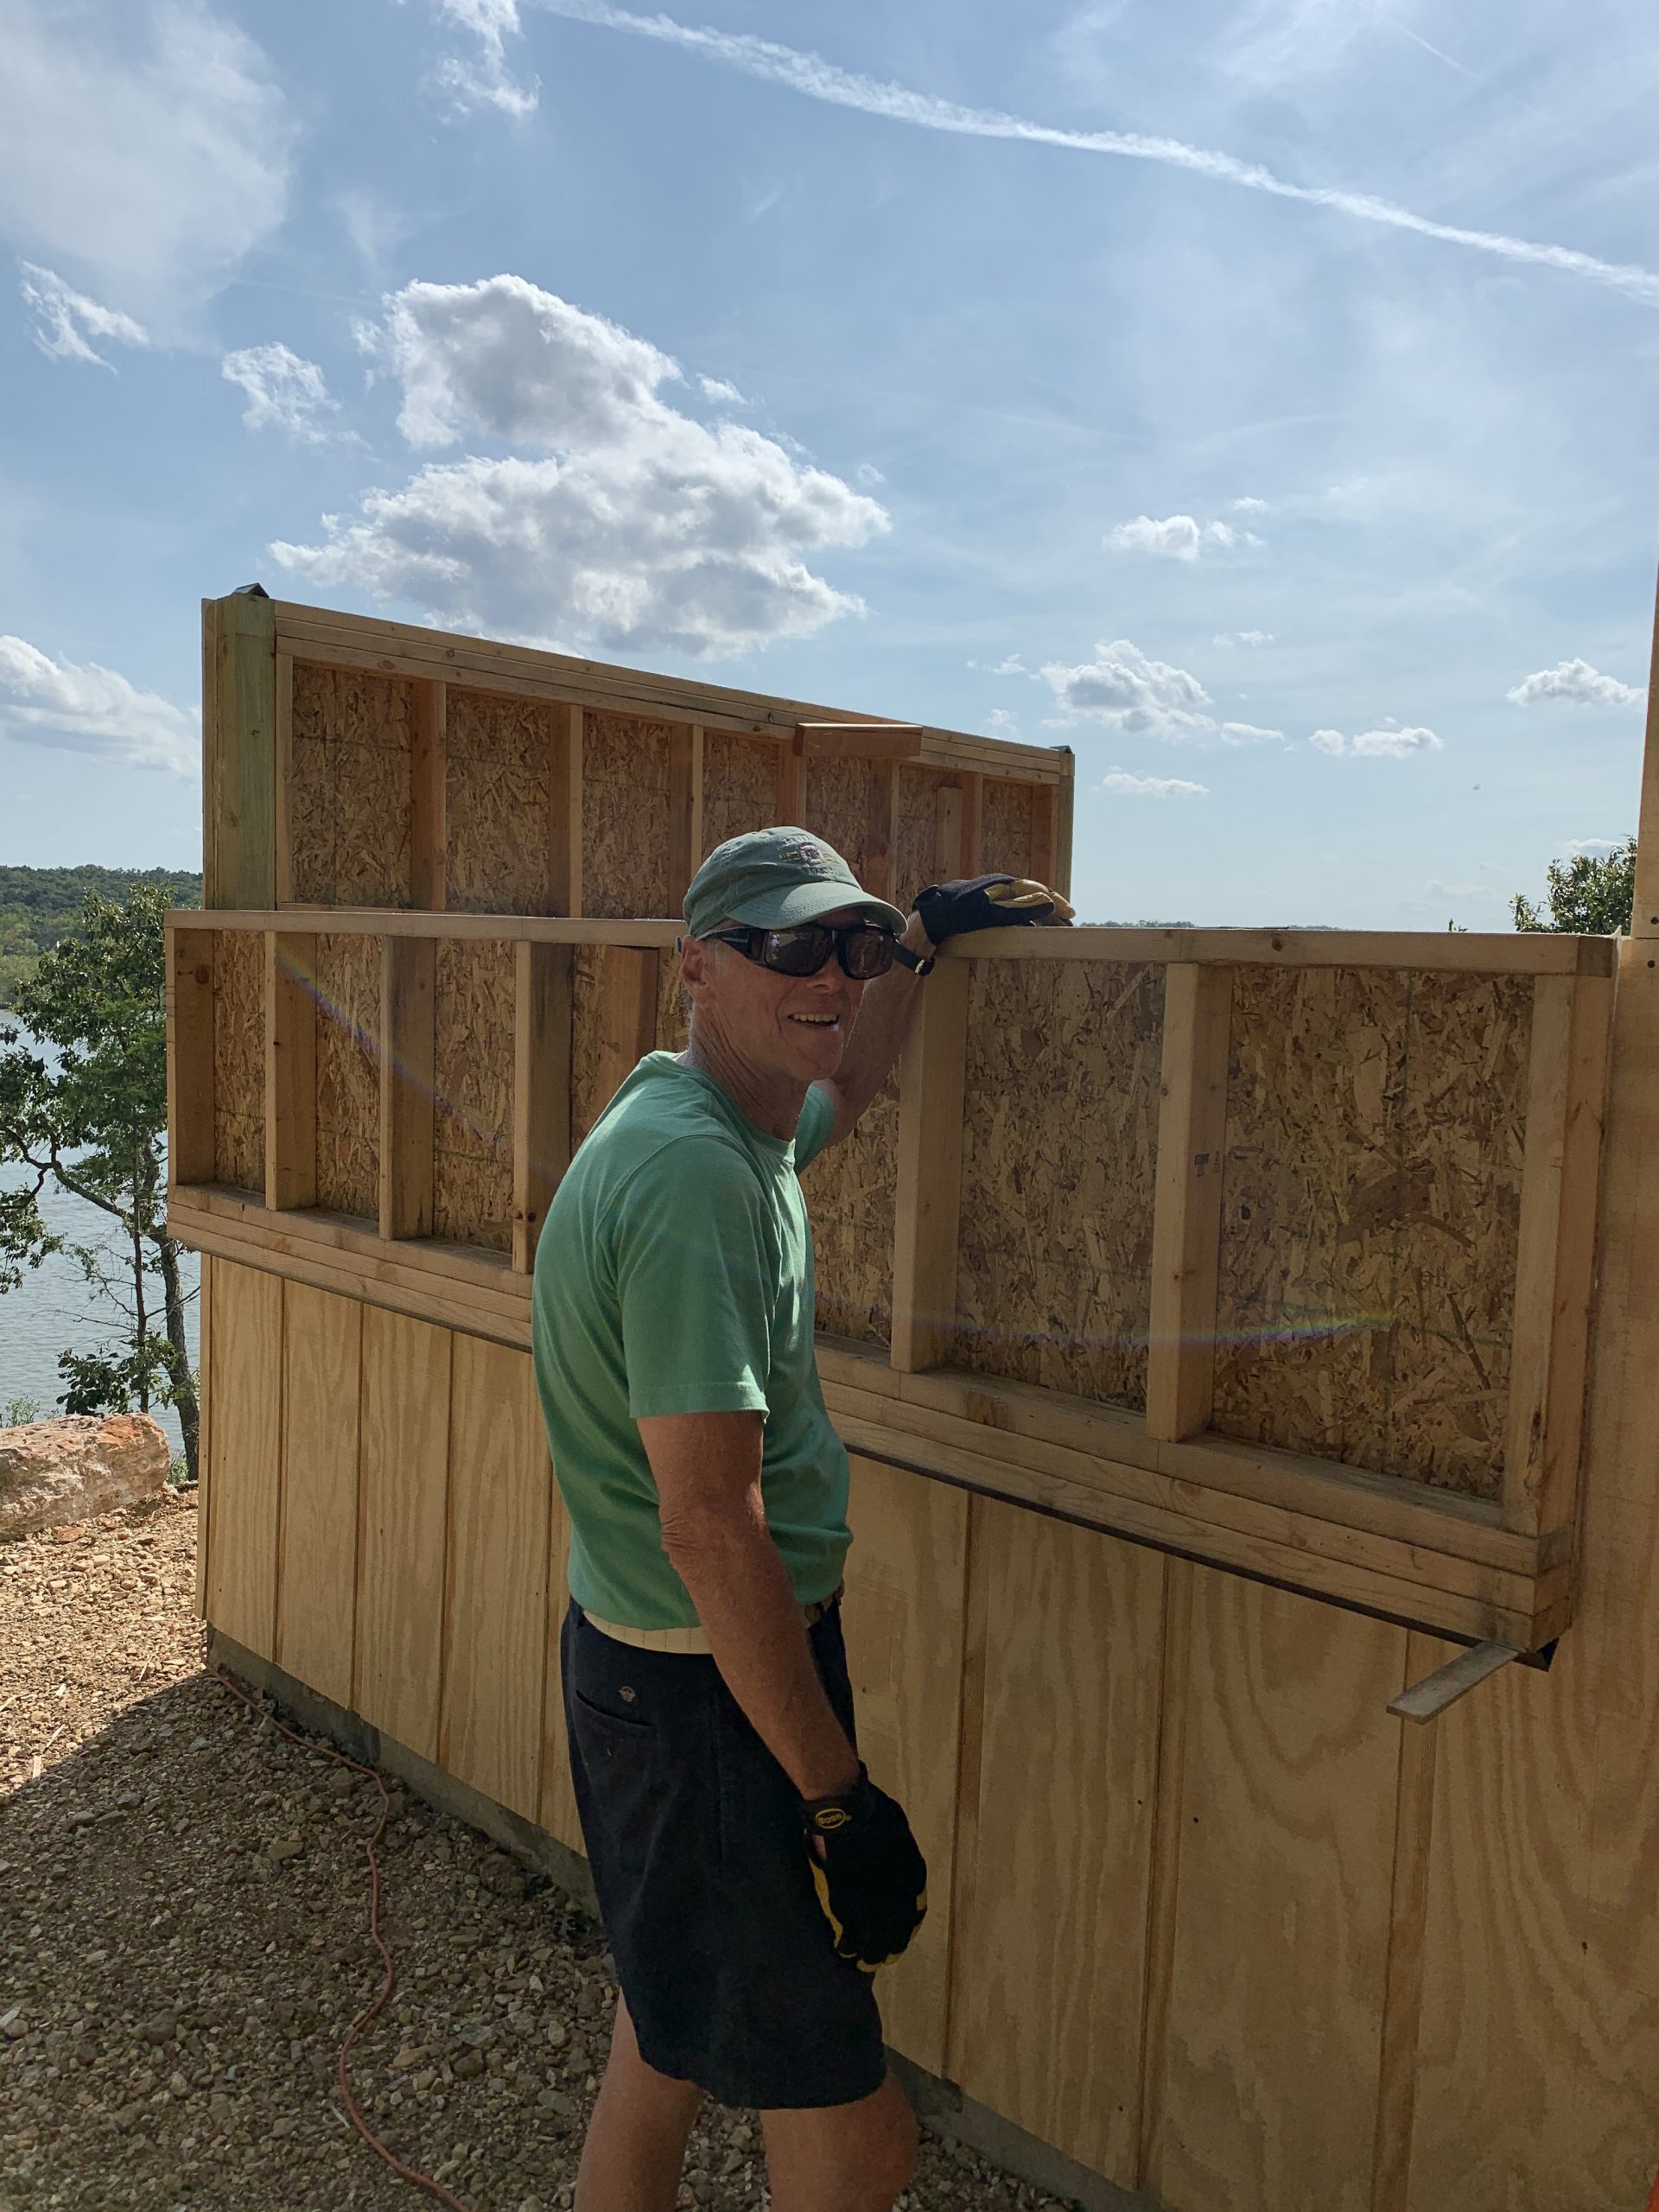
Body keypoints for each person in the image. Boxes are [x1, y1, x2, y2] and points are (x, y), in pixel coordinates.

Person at [531, 828, 1071, 2212]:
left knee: (663, 2038)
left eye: (851, 942)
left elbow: (858, 1078)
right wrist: (839, 1801)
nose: (828, 974)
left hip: (647, 1664)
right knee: (851, 2117)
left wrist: (924, 948)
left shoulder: (730, 1123)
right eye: (788, 946)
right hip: (715, 1691)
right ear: (699, 967)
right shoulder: (694, 1178)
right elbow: (712, 1525)